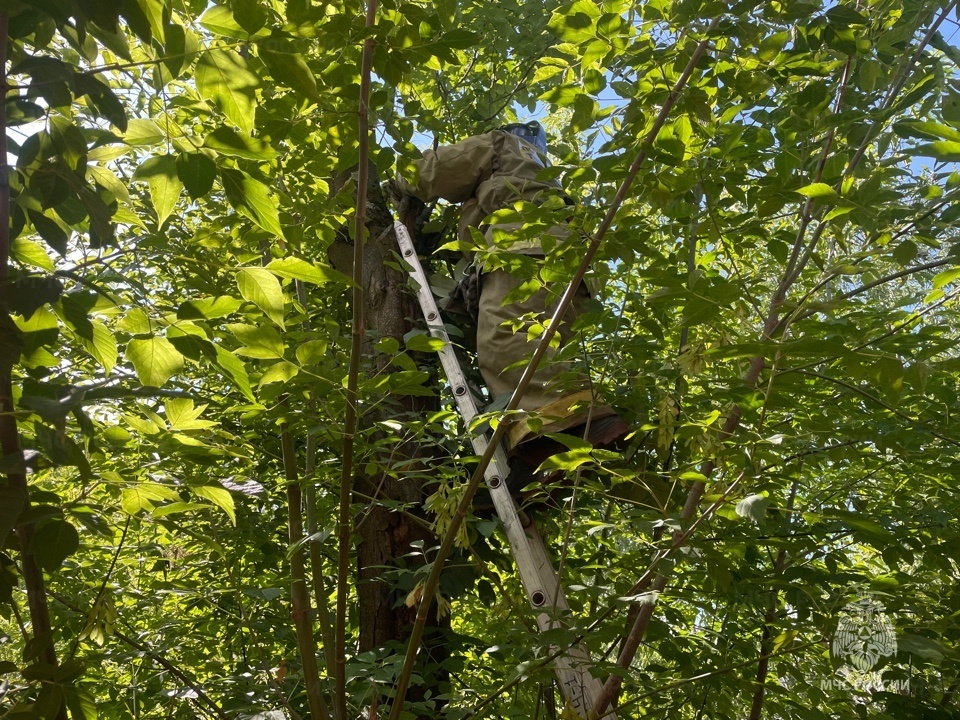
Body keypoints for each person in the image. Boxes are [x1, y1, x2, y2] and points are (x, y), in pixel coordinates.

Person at [389, 122, 628, 495]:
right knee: (544, 350)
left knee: (506, 342)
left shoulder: (500, 144)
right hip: (568, 264)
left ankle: (578, 426)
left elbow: (435, 169)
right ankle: (538, 456)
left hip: (523, 248)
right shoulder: (538, 175)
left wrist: (397, 181)